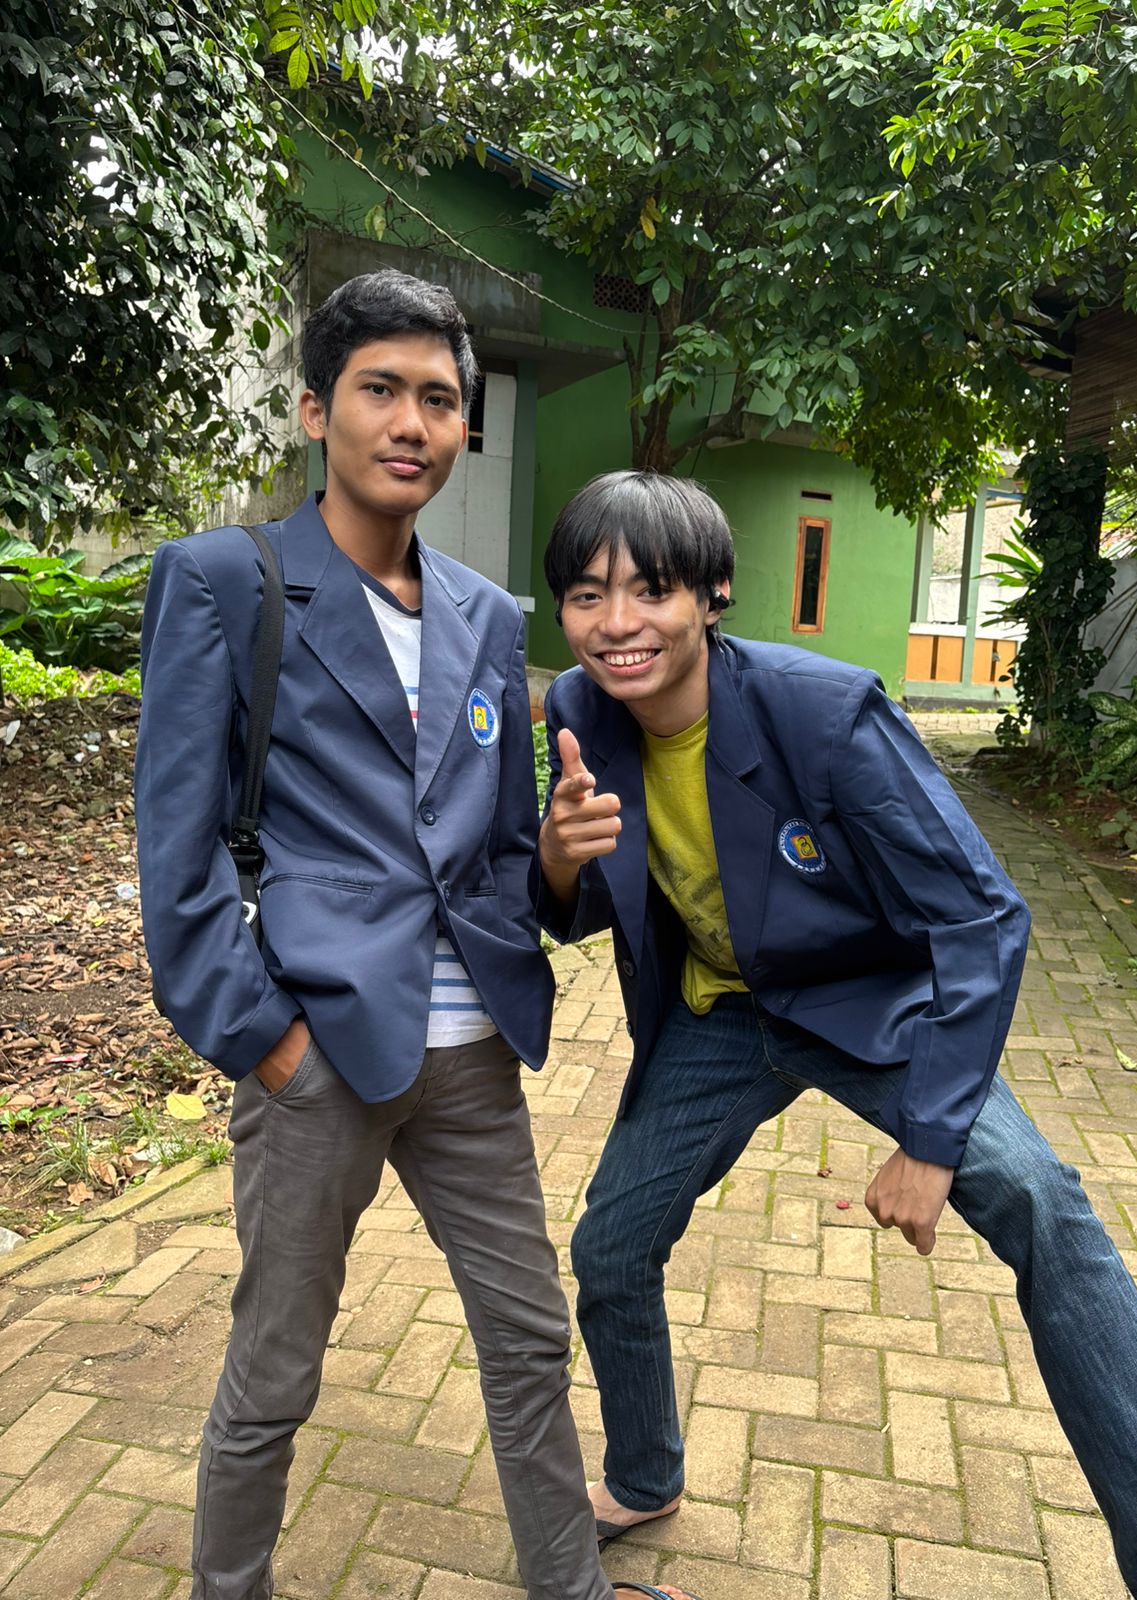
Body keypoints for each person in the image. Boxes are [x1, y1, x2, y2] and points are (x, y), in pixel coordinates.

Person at [535, 468, 1137, 1600]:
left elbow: (983, 917)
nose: (617, 623)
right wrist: (557, 858)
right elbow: (582, 899)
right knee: (609, 1250)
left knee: (1042, 1201)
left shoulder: (826, 715)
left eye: (650, 590)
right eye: (588, 595)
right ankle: (645, 1475)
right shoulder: (580, 712)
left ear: (712, 595)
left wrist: (932, 1141)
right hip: (721, 1010)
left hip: (866, 1004)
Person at [136, 275, 694, 1600]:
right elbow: (178, 854)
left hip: (471, 1056)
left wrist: (557, 861)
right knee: (276, 1368)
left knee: (527, 1339)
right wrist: (268, 1045)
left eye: (439, 399)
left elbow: (499, 857)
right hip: (319, 1052)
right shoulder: (227, 582)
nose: (412, 422)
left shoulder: (485, 616)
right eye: (380, 390)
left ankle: (571, 1586)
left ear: (463, 427)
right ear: (316, 409)